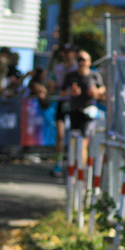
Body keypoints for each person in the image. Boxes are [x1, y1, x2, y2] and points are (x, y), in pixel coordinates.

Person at [63, 49, 105, 165]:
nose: (81, 62)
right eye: (79, 59)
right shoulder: (71, 75)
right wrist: (70, 92)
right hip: (74, 111)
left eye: (83, 60)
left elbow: (102, 89)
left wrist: (96, 91)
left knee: (83, 142)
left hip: (89, 112)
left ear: (89, 62)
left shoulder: (94, 75)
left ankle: (82, 172)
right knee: (74, 142)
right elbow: (61, 92)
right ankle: (74, 171)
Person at [50, 42, 77, 175]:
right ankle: (59, 163)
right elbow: (54, 84)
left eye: (68, 52)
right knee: (60, 135)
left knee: (75, 135)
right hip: (62, 103)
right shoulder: (59, 67)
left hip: (75, 104)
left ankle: (75, 163)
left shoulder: (77, 68)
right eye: (64, 52)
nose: (65, 55)